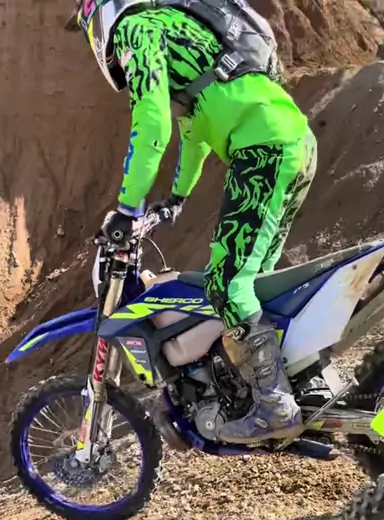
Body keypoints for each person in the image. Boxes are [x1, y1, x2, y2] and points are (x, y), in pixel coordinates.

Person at [67, 0, 317, 442]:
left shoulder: (135, 29)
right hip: (293, 143)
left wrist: (127, 208)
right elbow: (193, 133)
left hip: (264, 150)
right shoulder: (179, 31)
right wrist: (176, 198)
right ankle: (296, 384)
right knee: (255, 285)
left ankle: (276, 407)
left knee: (227, 284)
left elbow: (152, 123)